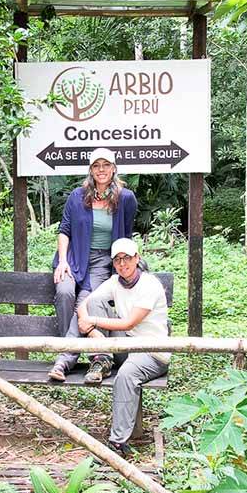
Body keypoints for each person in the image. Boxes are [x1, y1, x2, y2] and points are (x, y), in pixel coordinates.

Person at [53, 238, 170, 457]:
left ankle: (118, 443)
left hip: (151, 352)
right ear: (113, 263)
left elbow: (129, 323)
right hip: (126, 346)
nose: (122, 264)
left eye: (127, 258)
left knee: (126, 376)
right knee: (93, 302)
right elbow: (85, 304)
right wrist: (89, 326)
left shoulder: (149, 285)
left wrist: (93, 322)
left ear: (137, 258)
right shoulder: (115, 282)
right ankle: (102, 359)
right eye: (117, 260)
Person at [48, 147, 137, 381]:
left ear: (114, 168)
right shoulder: (77, 196)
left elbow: (126, 234)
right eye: (96, 165)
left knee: (84, 302)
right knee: (65, 291)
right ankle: (74, 349)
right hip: (73, 256)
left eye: (106, 165)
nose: (101, 170)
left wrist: (122, 265)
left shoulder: (125, 198)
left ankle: (64, 359)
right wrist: (63, 261)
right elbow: (64, 230)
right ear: (90, 170)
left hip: (102, 261)